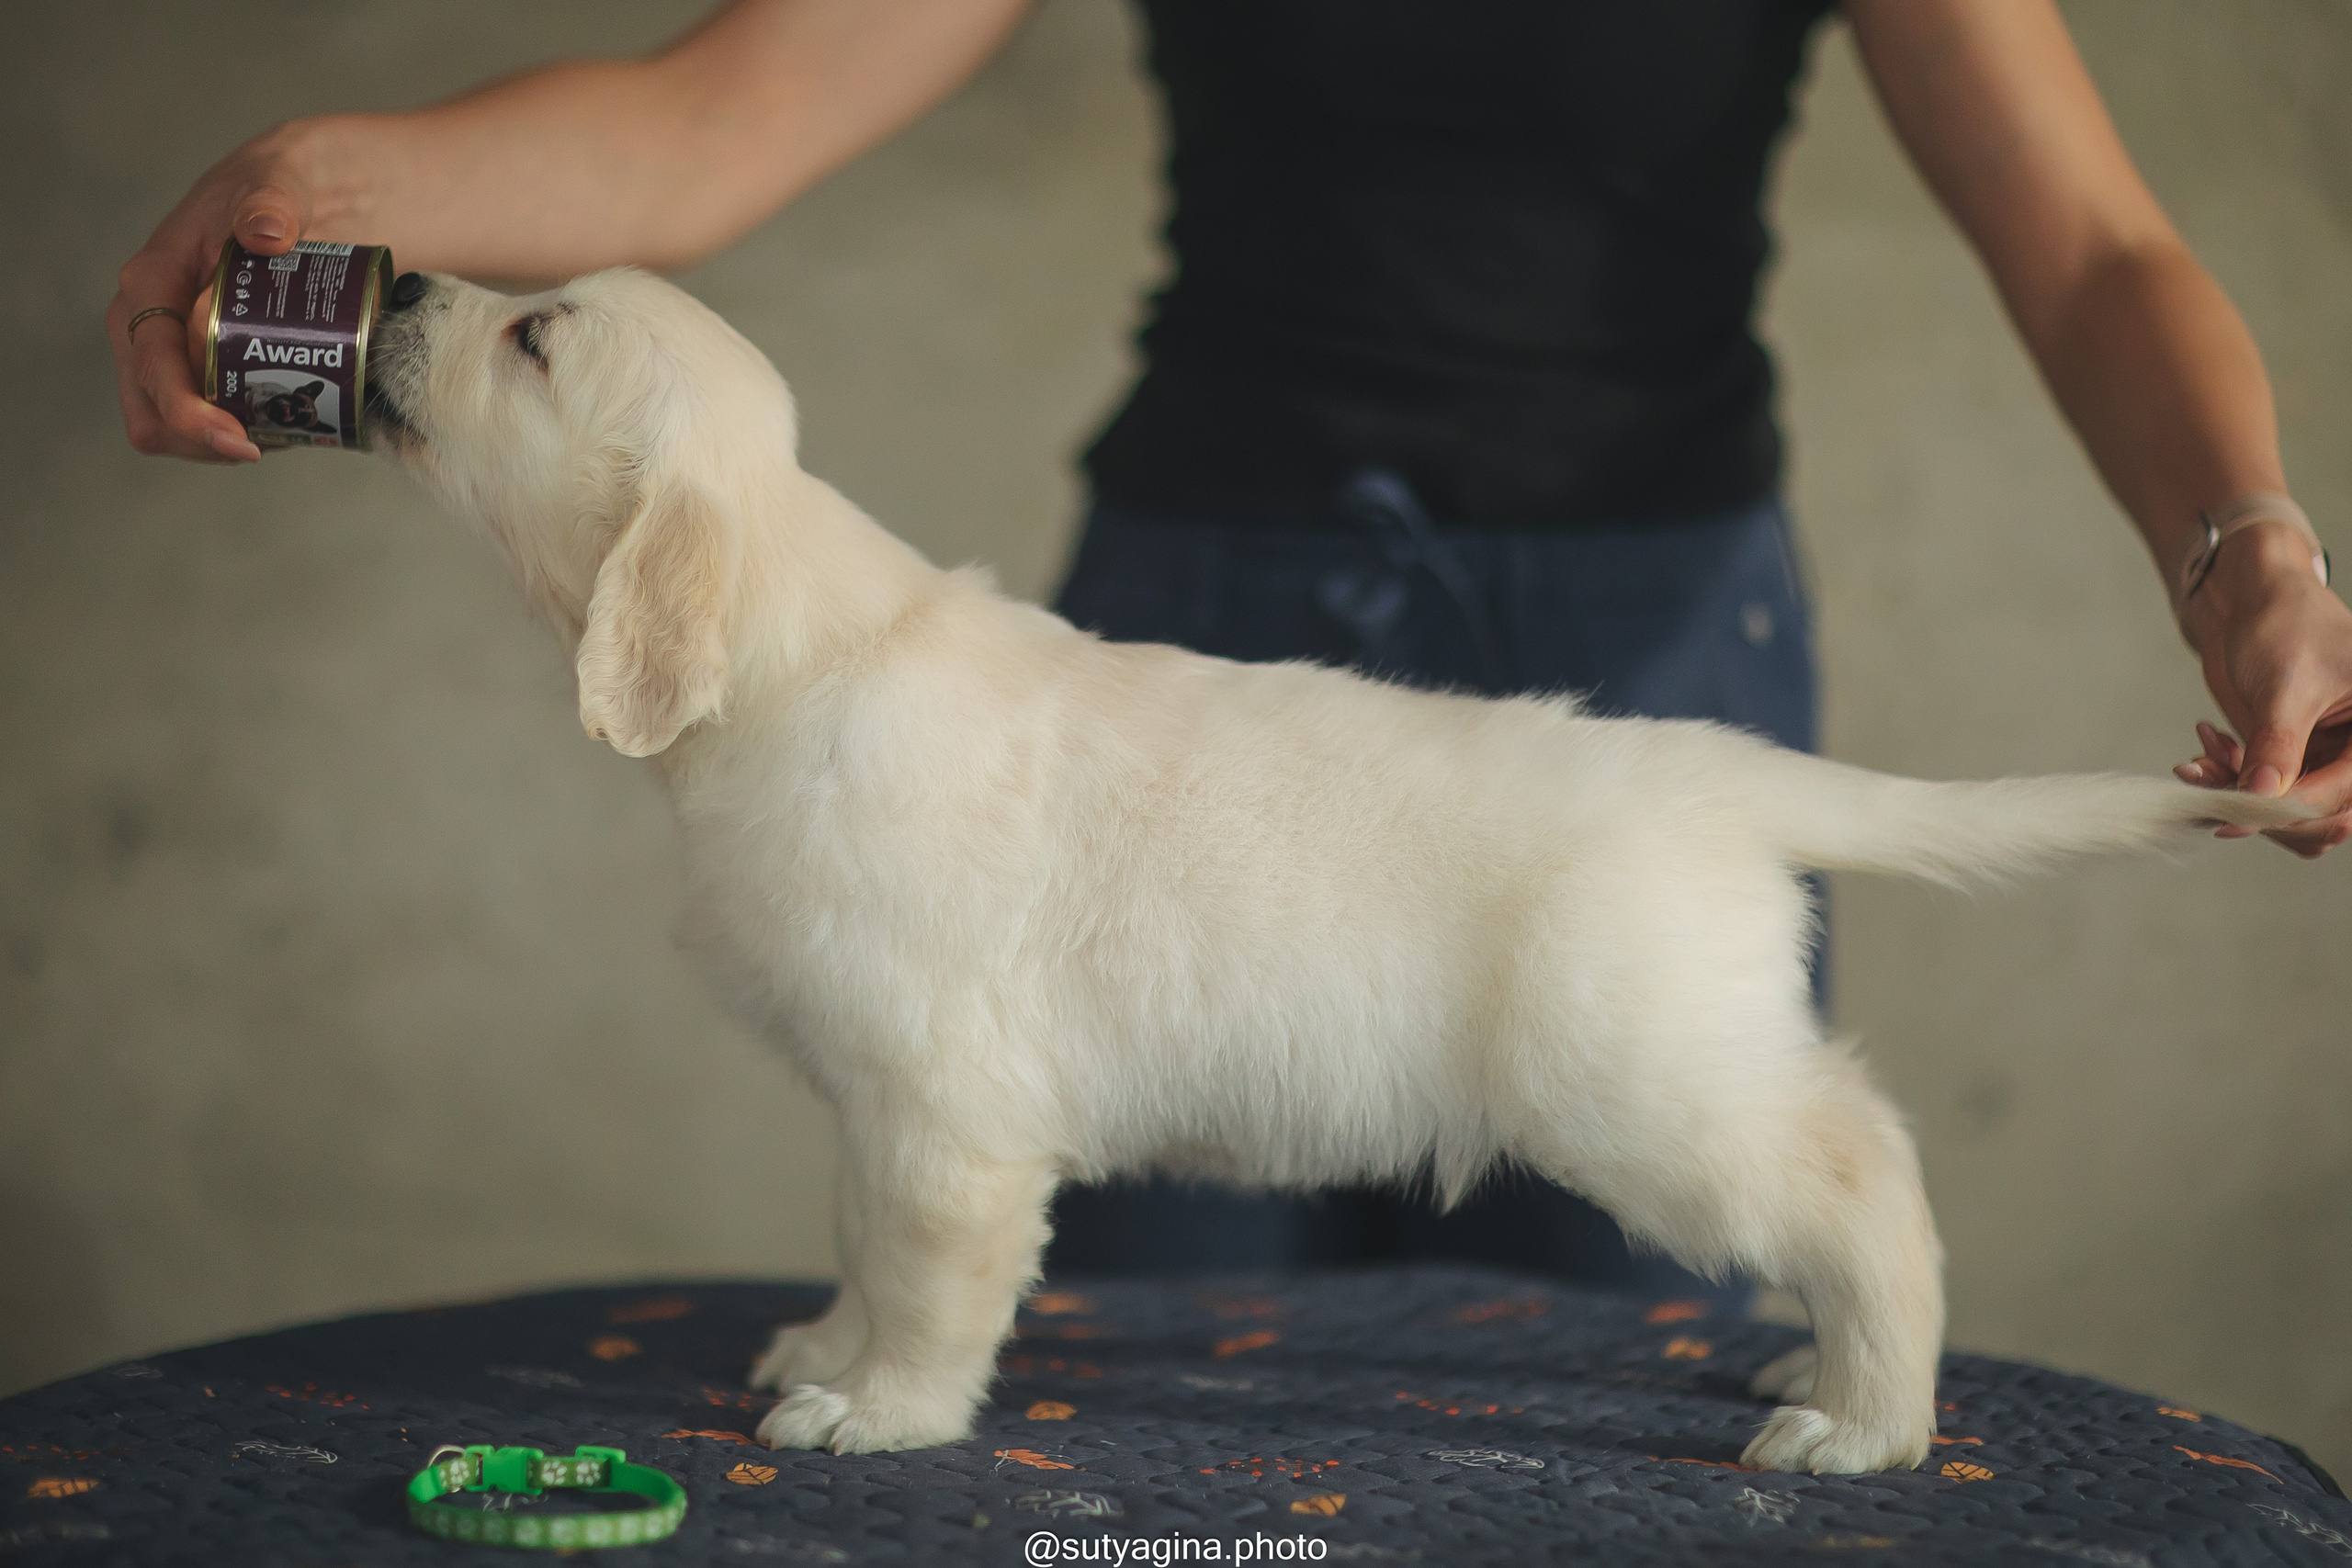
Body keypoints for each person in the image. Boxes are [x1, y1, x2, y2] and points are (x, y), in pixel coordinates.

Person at [110, 0, 2352, 1296]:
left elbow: (2088, 248)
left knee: (1649, 1351)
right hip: (1189, 644)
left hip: (1643, 645)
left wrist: (2244, 550)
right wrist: (317, 191)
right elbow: (728, 110)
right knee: (1141, 1440)